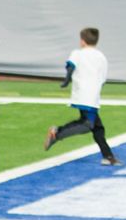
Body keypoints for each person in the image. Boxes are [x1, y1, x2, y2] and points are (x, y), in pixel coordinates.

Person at [45, 26, 119, 165]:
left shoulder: (77, 53)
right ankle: (57, 133)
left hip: (82, 94)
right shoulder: (101, 57)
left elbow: (70, 66)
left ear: (83, 41)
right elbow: (103, 78)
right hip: (92, 96)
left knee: (96, 127)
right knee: (88, 124)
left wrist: (66, 81)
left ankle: (108, 156)